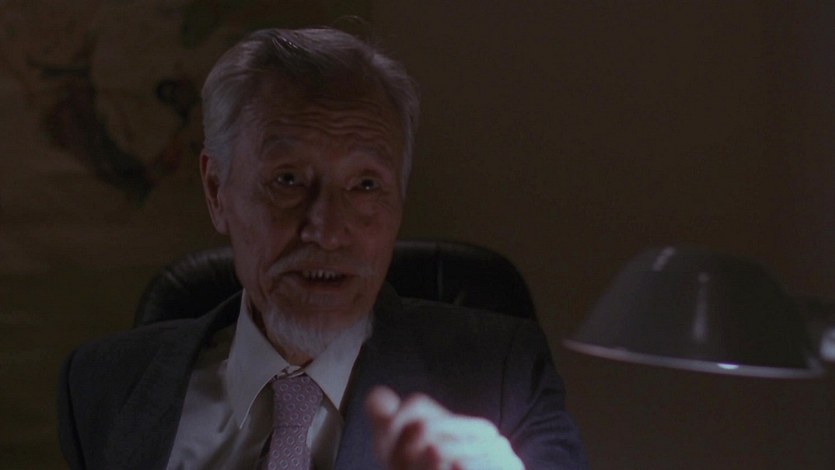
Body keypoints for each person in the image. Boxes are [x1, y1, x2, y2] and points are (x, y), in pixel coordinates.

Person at [58, 27, 587, 470]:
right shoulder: (103, 386)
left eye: (365, 185)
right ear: (217, 191)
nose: (328, 232)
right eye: (287, 180)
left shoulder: (501, 379)